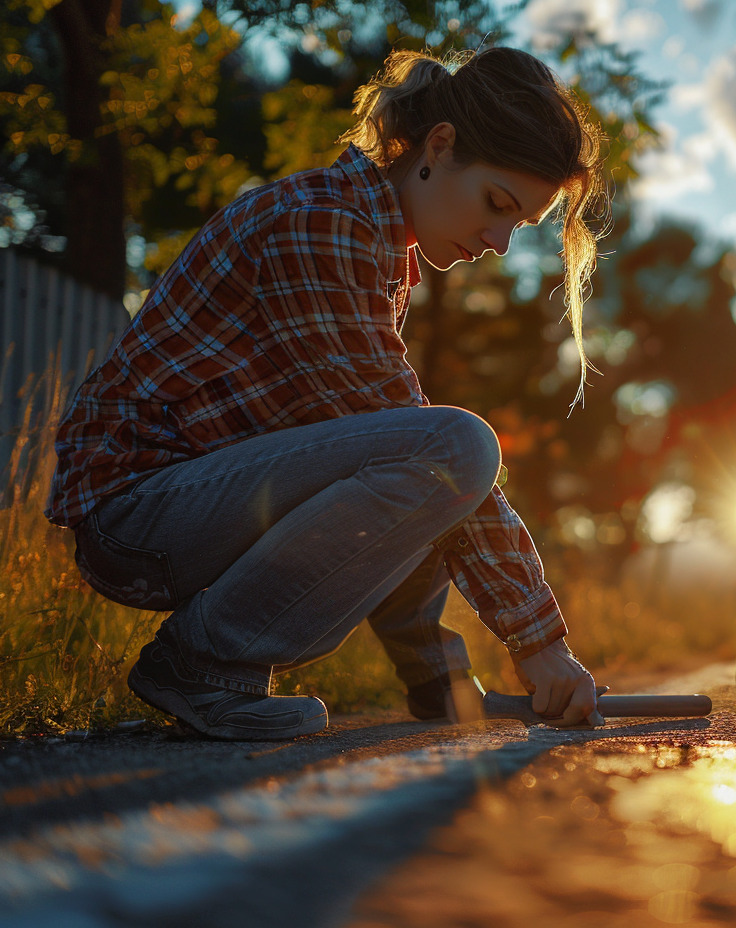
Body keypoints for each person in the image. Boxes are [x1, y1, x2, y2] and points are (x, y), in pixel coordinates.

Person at [45, 46, 610, 740]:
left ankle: (438, 683)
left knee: (431, 449)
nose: (497, 240)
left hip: (191, 507)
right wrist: (539, 643)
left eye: (516, 225)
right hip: (136, 515)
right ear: (440, 144)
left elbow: (397, 471)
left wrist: (451, 687)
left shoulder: (376, 246)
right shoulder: (324, 223)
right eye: (497, 205)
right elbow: (428, 449)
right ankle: (202, 665)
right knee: (457, 444)